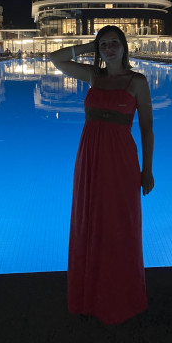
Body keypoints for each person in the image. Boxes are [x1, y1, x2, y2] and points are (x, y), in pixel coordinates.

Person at [49, 25, 154, 325]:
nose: (109, 48)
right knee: (89, 223)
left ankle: (120, 298)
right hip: (90, 159)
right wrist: (88, 47)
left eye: (114, 43)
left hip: (121, 162)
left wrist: (147, 169)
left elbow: (147, 129)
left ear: (124, 46)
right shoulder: (94, 76)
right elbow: (55, 58)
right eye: (104, 44)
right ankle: (89, 297)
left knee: (120, 225)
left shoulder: (137, 82)